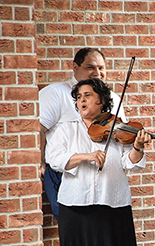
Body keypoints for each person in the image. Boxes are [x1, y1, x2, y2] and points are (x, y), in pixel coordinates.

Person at [46, 78, 149, 246]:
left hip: (112, 204)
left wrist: (137, 147)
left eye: (88, 95)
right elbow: (54, 157)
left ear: (102, 101)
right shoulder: (67, 128)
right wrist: (86, 156)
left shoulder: (117, 127)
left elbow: (131, 163)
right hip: (74, 206)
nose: (82, 101)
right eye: (79, 96)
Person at [40, 47, 123, 220]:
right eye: (90, 67)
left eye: (101, 68)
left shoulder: (113, 98)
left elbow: (121, 132)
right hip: (65, 171)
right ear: (75, 68)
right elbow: (38, 129)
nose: (97, 72)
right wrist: (40, 162)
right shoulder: (56, 93)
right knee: (70, 222)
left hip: (103, 174)